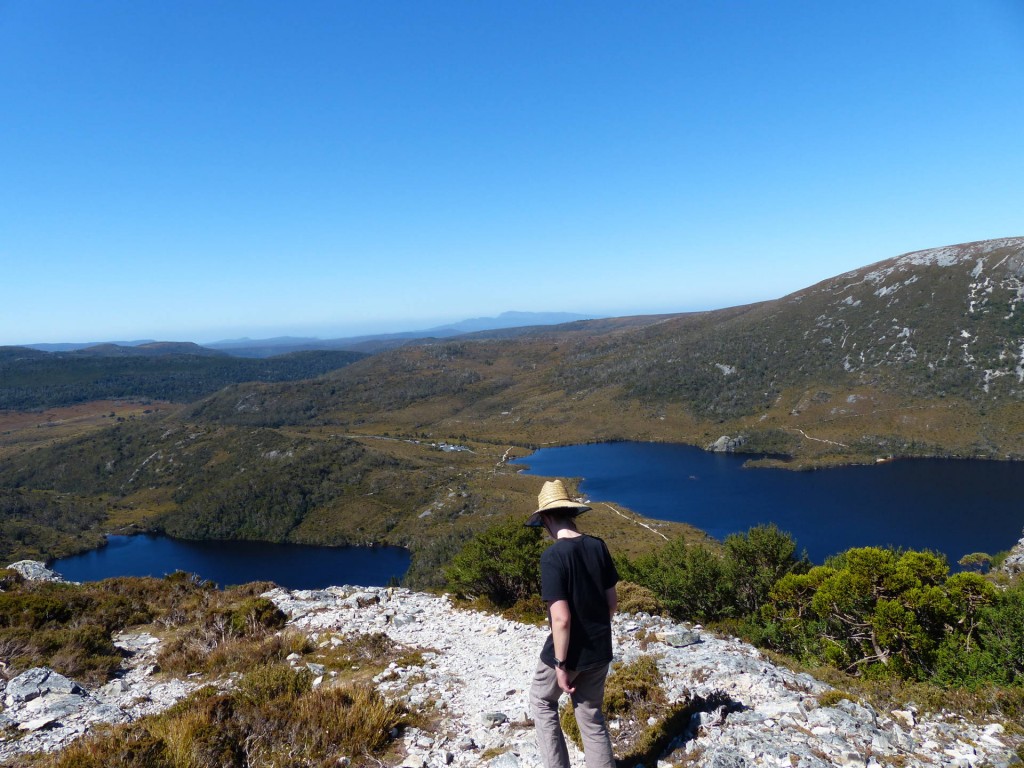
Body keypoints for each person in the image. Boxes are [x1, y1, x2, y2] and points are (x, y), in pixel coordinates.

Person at [527, 479, 619, 768]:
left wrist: (560, 664)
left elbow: (561, 618)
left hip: (570, 652)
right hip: (600, 648)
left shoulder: (553, 557)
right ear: (570, 512)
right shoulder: (598, 546)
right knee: (591, 717)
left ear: (545, 518)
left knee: (542, 702)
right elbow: (612, 603)